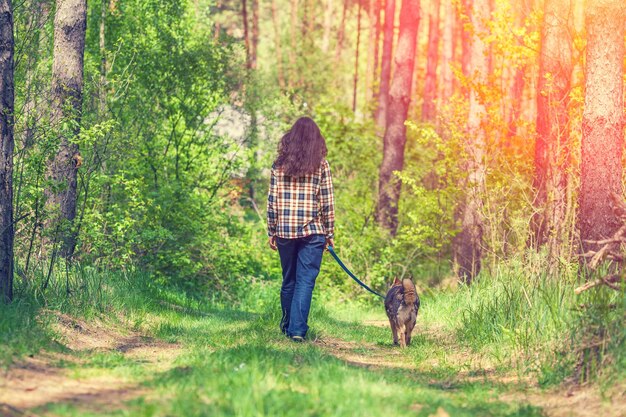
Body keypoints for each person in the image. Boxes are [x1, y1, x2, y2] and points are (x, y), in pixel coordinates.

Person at [266, 117, 335, 342]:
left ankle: (288, 326)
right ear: (316, 140)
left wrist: (272, 230)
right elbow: (327, 201)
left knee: (289, 280)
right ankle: (296, 331)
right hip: (312, 231)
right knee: (305, 281)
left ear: (291, 138)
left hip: (284, 230)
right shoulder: (321, 165)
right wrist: (330, 233)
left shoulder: (279, 165)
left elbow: (272, 200)